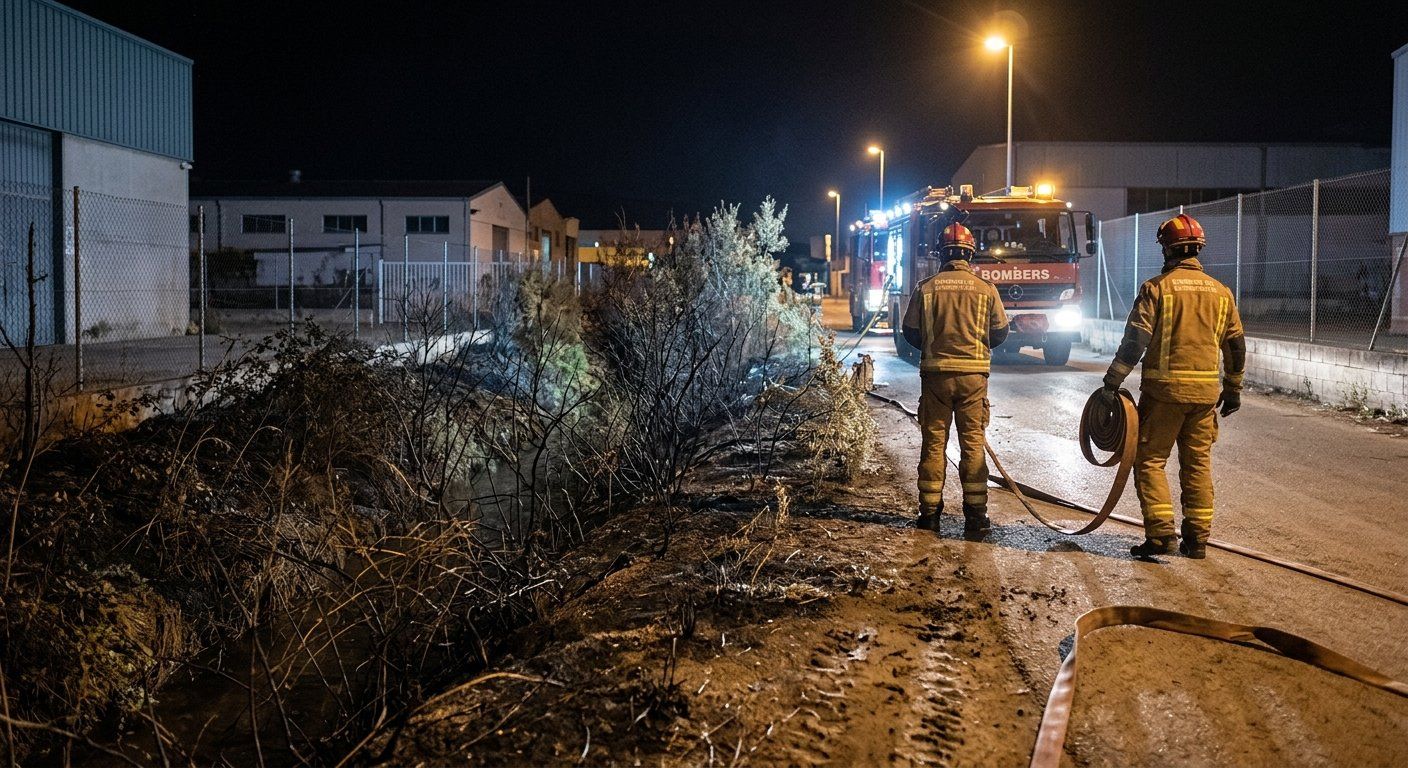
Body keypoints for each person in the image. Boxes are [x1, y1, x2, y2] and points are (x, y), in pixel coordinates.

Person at [1101, 213, 1246, 559]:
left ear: (1167, 249)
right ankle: (1197, 540)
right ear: (1197, 249)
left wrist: (1111, 383)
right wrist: (1233, 388)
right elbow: (1236, 345)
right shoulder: (1221, 293)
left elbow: (1135, 341)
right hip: (1205, 398)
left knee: (1149, 461)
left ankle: (1160, 535)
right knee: (1197, 466)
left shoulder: (1156, 289)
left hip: (1164, 395)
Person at [902, 222, 1010, 535]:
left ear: (942, 254)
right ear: (970, 253)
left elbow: (910, 331)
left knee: (934, 445)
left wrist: (934, 347)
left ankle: (929, 517)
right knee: (972, 445)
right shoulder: (985, 288)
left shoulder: (926, 287)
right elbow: (1000, 332)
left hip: (935, 378)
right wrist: (977, 346)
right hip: (973, 378)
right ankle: (976, 518)